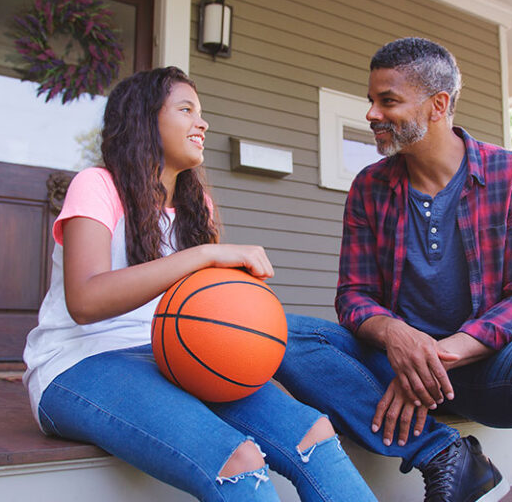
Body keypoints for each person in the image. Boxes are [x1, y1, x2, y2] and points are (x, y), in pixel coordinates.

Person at [22, 66, 377, 502]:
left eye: (201, 111)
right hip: (81, 361)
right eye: (186, 109)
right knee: (238, 462)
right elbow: (85, 299)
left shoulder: (196, 206)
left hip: (175, 353)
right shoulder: (98, 185)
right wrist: (205, 255)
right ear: (144, 119)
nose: (202, 122)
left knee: (313, 434)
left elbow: (206, 305)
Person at [275, 38, 512, 502]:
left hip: (488, 368)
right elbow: (353, 296)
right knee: (279, 334)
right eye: (371, 100)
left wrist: (432, 360)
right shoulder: (369, 187)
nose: (371, 113)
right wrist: (396, 337)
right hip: (390, 364)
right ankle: (445, 454)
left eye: (387, 101)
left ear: (438, 105)